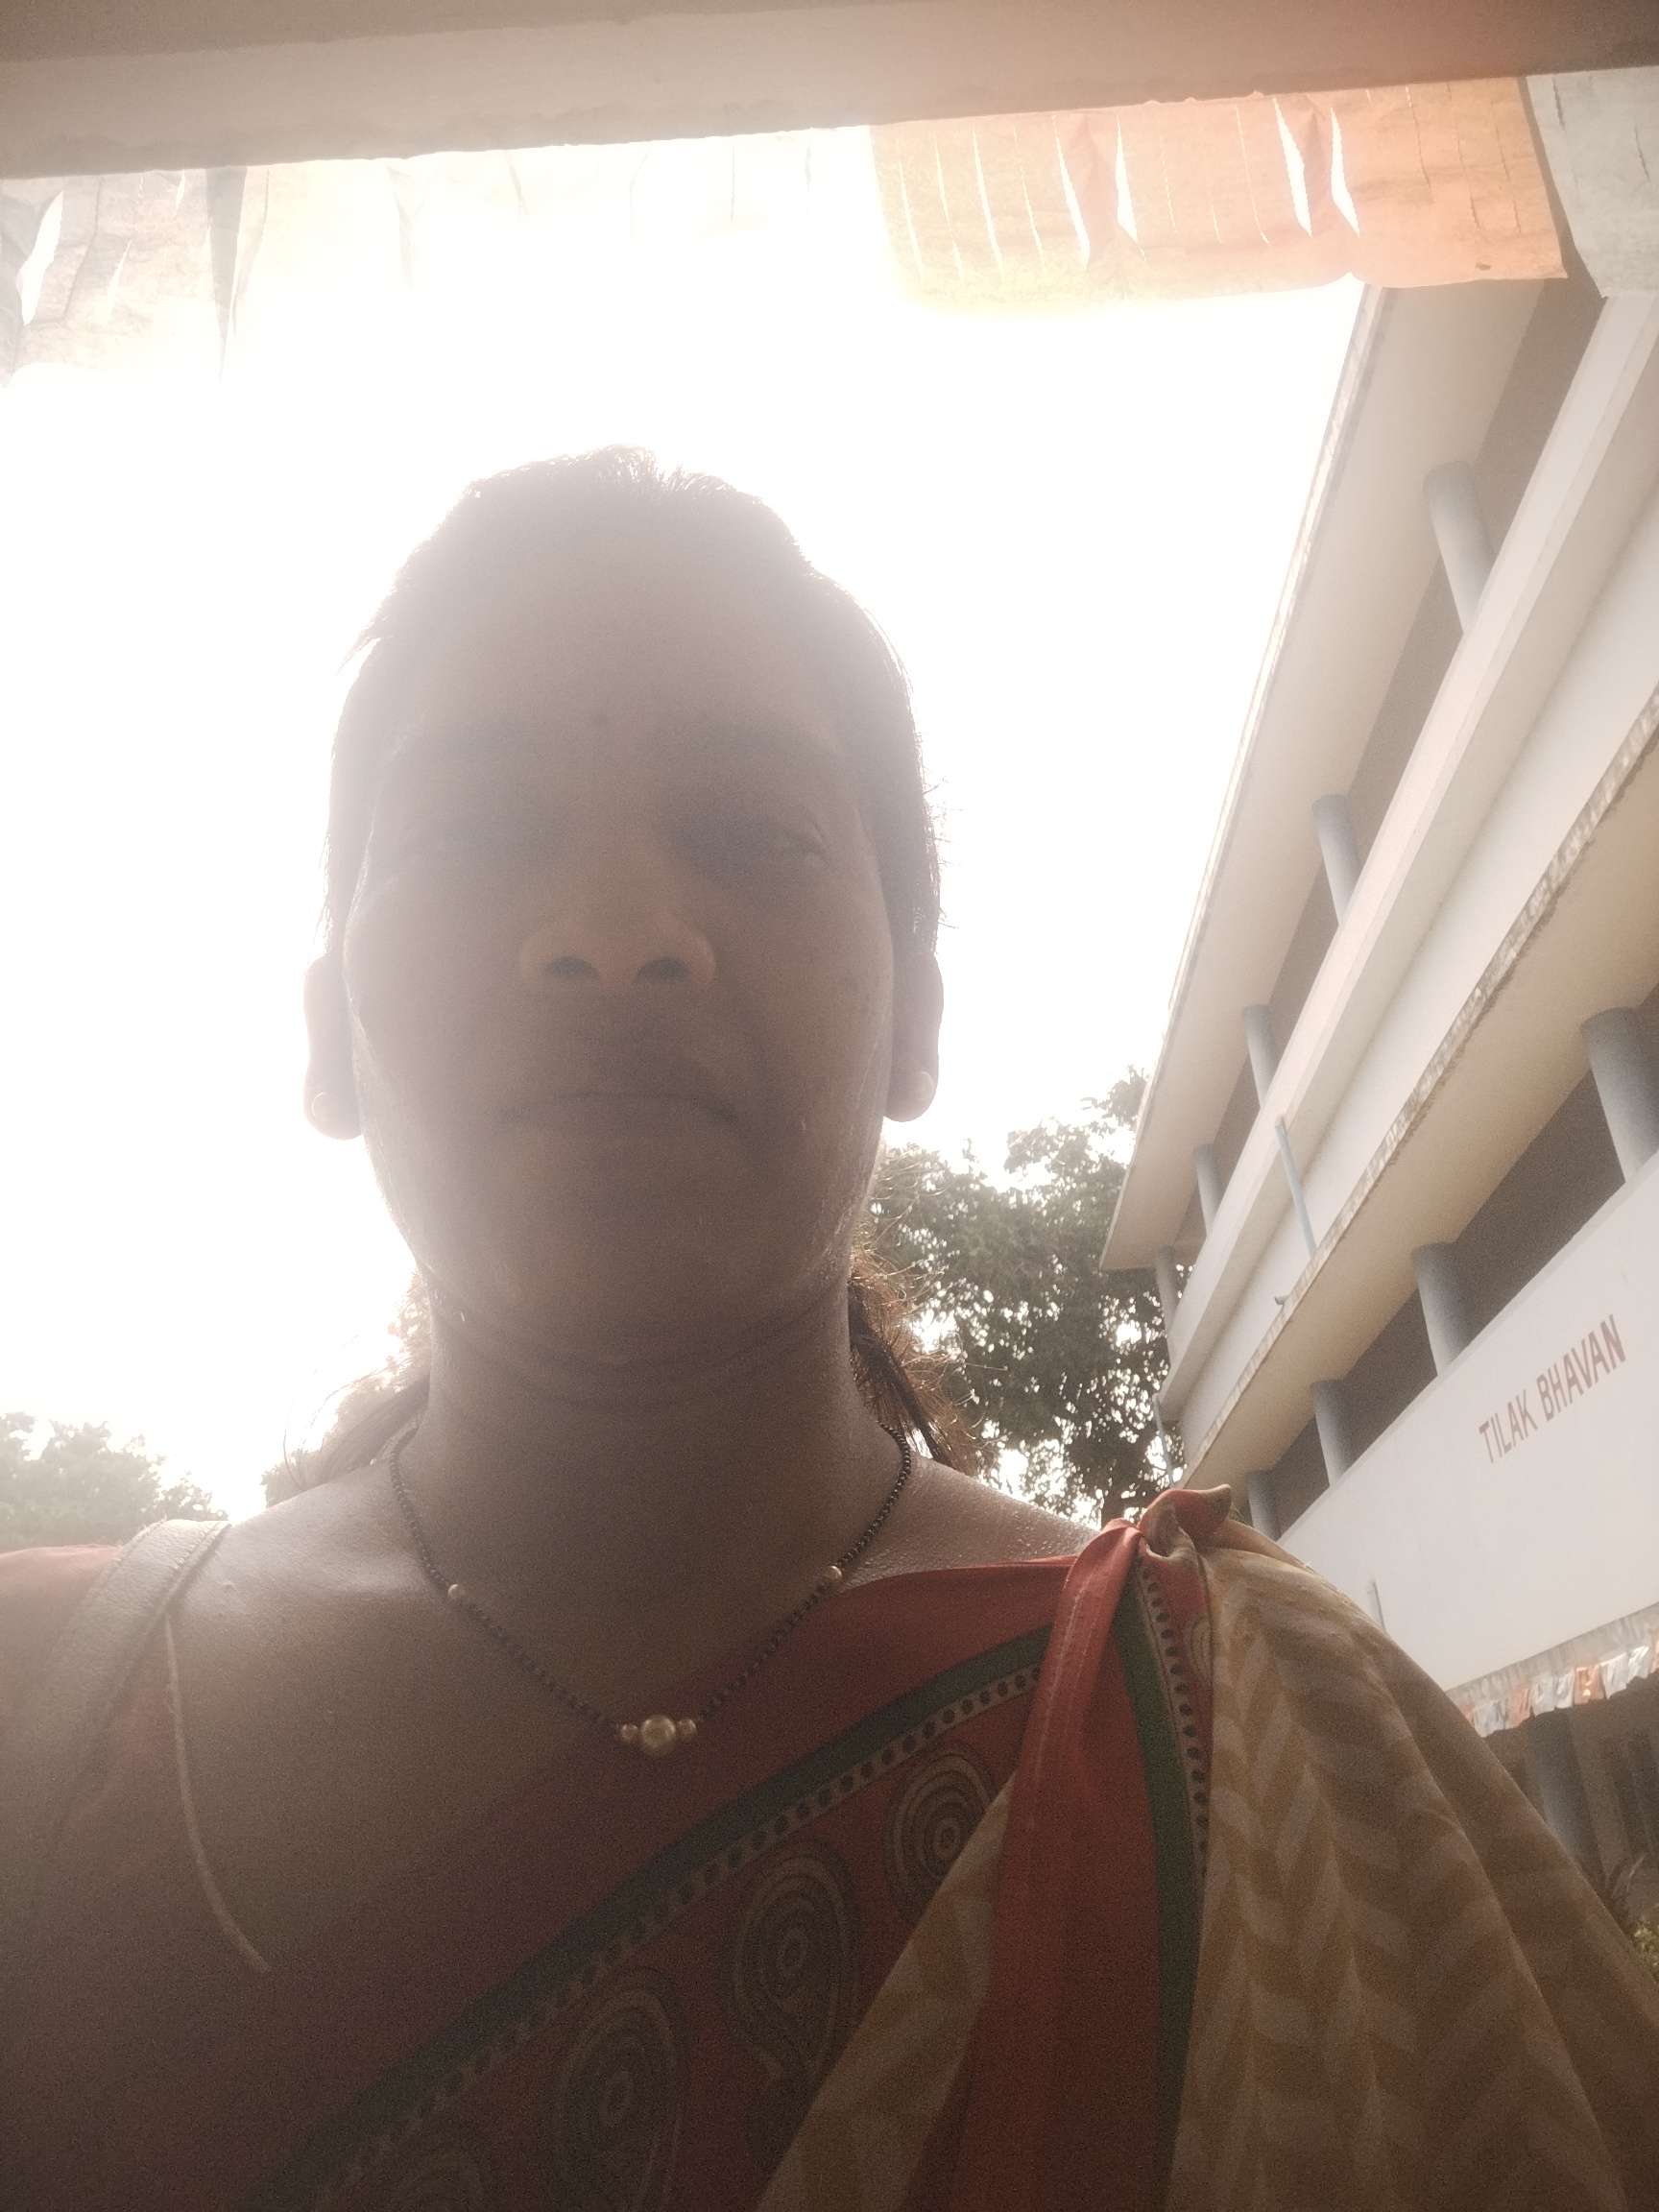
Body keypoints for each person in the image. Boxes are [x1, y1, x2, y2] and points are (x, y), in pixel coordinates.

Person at [2, 450, 1655, 2212]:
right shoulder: (40, 1711)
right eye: (476, 834)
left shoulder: (1259, 1734)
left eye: (750, 837)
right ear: (328, 1031)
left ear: (915, 1018)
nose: (616, 938)